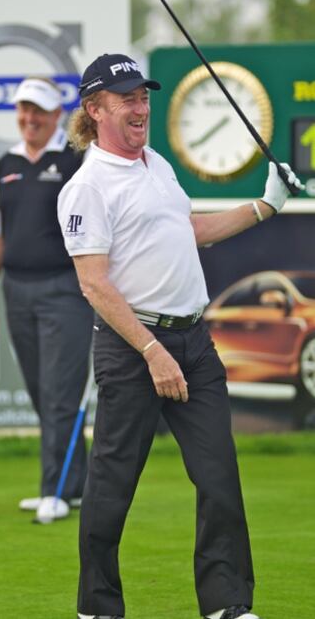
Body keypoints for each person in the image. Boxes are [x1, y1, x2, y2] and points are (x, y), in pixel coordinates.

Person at [57, 54, 303, 619]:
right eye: (127, 99)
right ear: (95, 110)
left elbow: (189, 230)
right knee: (113, 485)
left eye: (144, 97)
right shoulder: (87, 187)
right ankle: (97, 606)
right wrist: (150, 350)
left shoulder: (156, 165)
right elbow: (94, 285)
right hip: (131, 348)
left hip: (193, 342)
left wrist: (265, 206)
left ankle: (227, 604)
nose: (141, 107)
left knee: (219, 478)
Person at [0, 77, 93, 523]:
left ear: (56, 114)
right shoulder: (4, 164)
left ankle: (55, 490)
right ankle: (73, 485)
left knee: (61, 393)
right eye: (24, 110)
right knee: (42, 393)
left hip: (66, 289)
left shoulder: (75, 161)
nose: (30, 119)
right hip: (17, 291)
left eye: (39, 111)